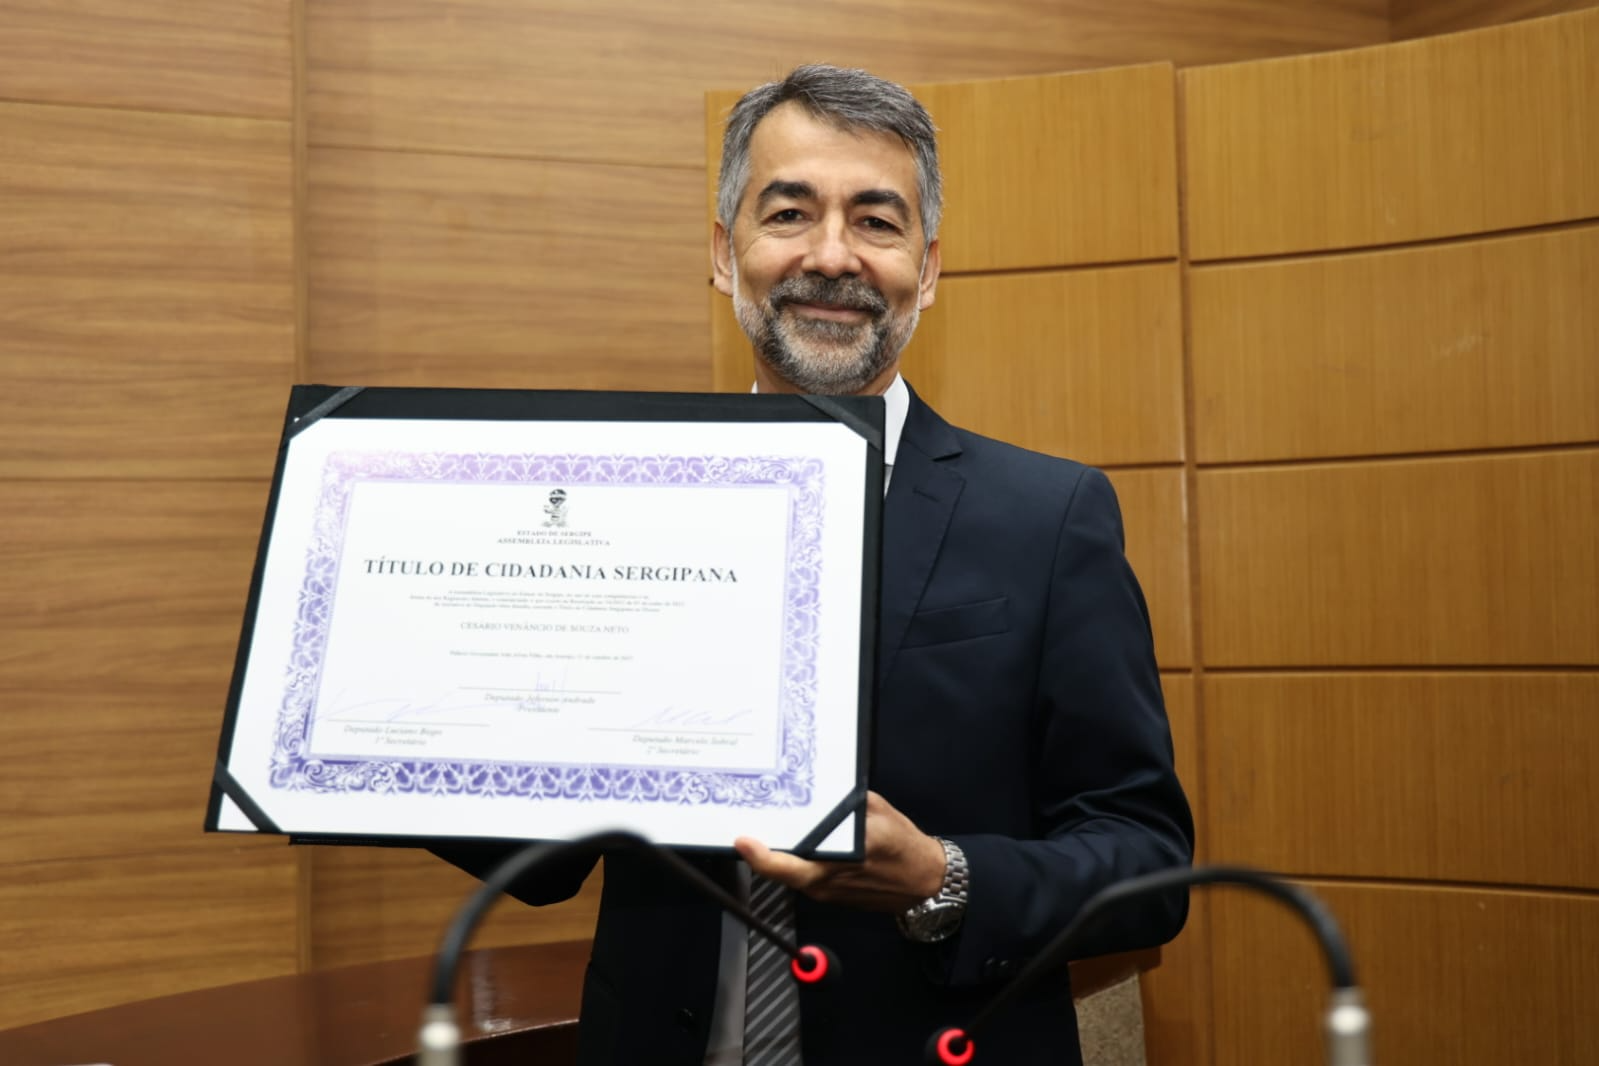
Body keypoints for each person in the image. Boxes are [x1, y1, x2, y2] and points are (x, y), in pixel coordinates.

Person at [438, 63, 1193, 1066]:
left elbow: (1146, 860)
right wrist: (432, 704)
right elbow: (538, 861)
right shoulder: (620, 509)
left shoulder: (1048, 519)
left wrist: (942, 879)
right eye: (789, 213)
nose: (832, 256)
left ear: (928, 268)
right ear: (724, 253)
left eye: (876, 222)